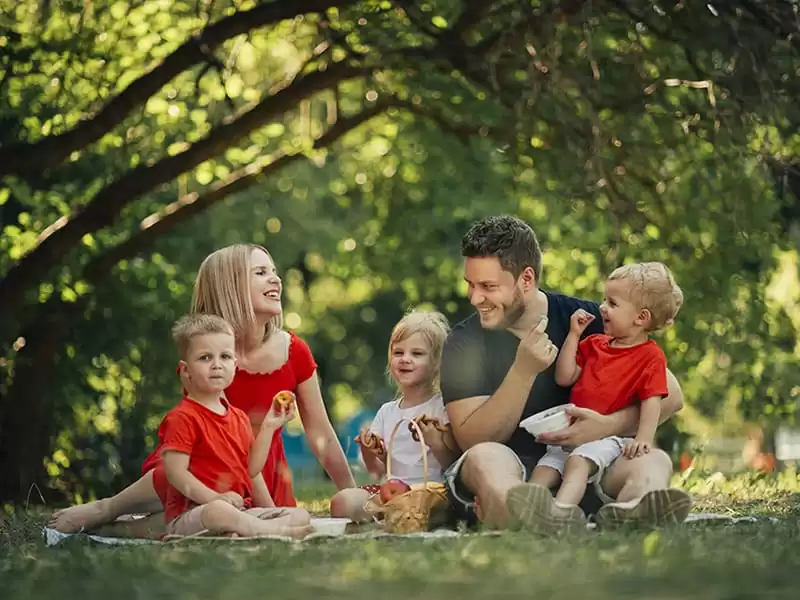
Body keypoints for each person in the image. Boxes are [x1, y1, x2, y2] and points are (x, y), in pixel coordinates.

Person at [49, 244, 356, 533]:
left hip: (258, 466)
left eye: (273, 270)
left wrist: (351, 495)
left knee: (206, 518)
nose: (275, 277)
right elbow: (199, 432)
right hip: (202, 459)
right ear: (229, 288)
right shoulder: (208, 355)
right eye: (260, 272)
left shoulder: (295, 351)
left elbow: (321, 434)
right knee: (184, 486)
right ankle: (108, 509)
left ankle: (125, 529)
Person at [439, 215, 693, 532]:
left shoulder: (590, 321)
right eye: (471, 285)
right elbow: (473, 439)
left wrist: (606, 426)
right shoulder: (464, 344)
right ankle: (528, 517)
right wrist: (523, 371)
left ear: (526, 279)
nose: (475, 298)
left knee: (654, 460)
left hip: (590, 465)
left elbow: (672, 395)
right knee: (484, 458)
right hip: (513, 471)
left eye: (488, 287)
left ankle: (633, 511)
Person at [526, 262, 684, 532]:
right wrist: (574, 335)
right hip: (572, 430)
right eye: (604, 299)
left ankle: (560, 514)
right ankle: (526, 507)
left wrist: (643, 439)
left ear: (641, 318)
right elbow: (565, 376)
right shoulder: (595, 343)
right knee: (546, 469)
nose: (602, 308)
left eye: (612, 303)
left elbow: (652, 400)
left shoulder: (650, 357)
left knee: (576, 464)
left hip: (605, 439)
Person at [159, 313, 311, 538]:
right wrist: (214, 498)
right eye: (205, 358)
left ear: (235, 365)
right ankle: (269, 532)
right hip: (193, 514)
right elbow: (176, 474)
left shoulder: (239, 417)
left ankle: (246, 529)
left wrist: (269, 426)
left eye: (225, 357)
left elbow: (251, 469)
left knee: (300, 515)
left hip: (239, 510)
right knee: (219, 512)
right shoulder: (182, 417)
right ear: (185, 370)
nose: (217, 365)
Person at [330, 310, 460, 522]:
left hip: (431, 493)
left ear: (436, 363)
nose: (405, 359)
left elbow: (452, 464)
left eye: (417, 354)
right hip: (391, 492)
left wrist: (434, 441)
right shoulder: (387, 411)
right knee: (342, 501)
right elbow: (376, 472)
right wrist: (370, 450)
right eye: (398, 353)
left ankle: (401, 518)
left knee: (433, 509)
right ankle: (395, 517)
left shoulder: (443, 407)